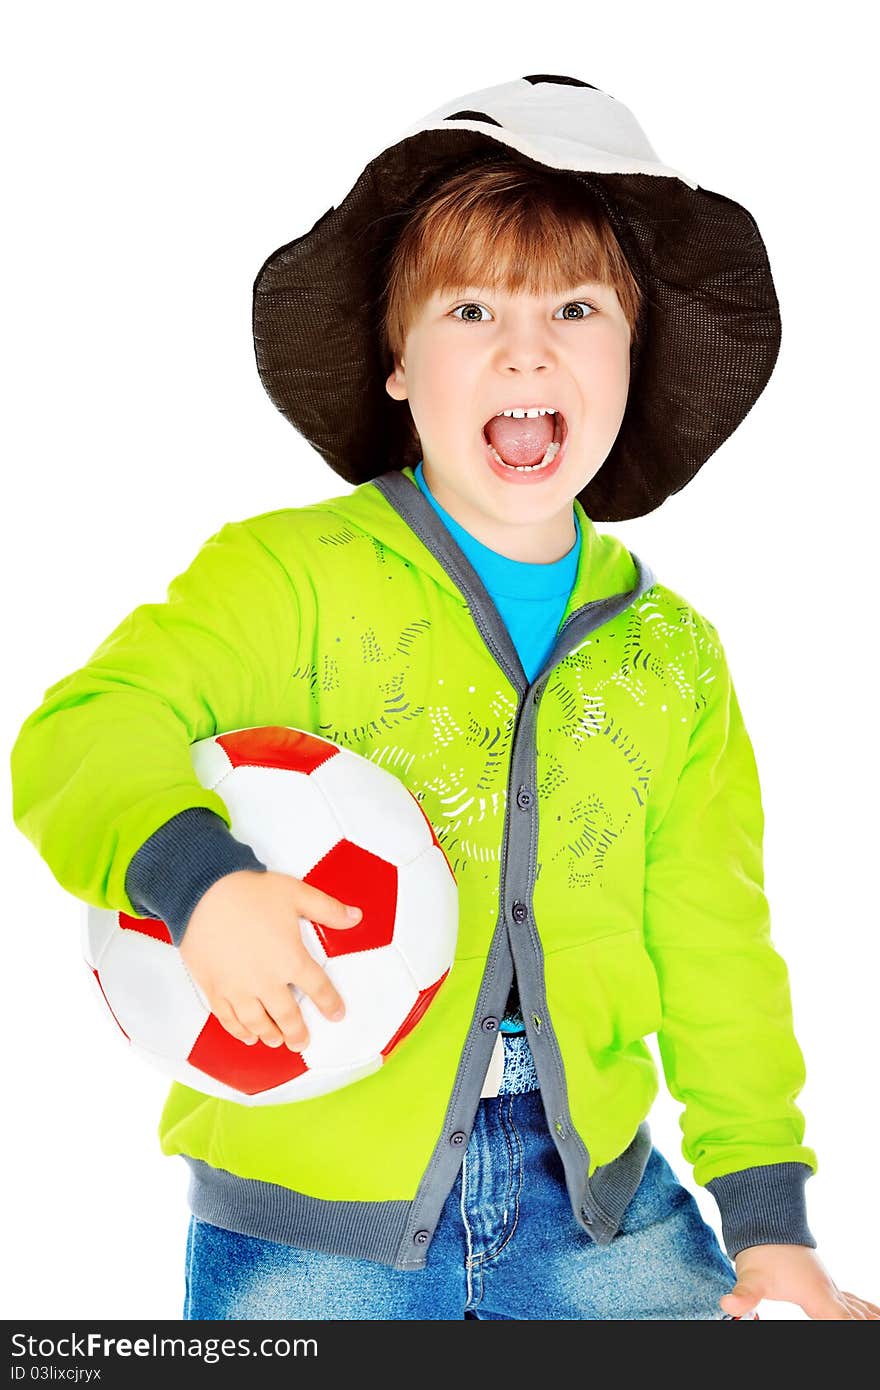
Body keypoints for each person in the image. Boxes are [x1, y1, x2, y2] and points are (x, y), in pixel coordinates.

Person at [10, 74, 878, 1321]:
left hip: (600, 1209)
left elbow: (714, 950)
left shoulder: (671, 657)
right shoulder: (286, 577)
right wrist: (200, 880)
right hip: (307, 1225)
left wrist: (768, 1220)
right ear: (399, 365)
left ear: (631, 356)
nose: (526, 347)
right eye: (471, 308)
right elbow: (83, 729)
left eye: (576, 308)